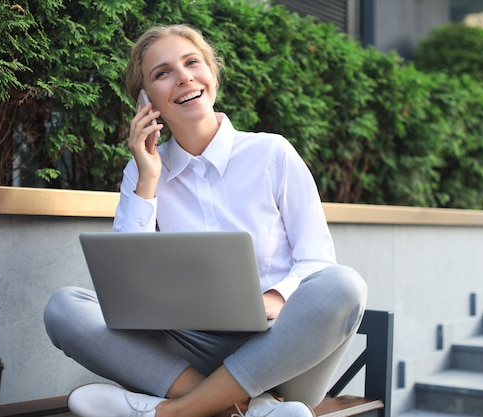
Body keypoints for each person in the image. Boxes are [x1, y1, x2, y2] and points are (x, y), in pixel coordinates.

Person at [43, 24, 367, 417]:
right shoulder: (144, 172)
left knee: (344, 285)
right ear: (147, 101)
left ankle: (170, 411)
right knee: (64, 308)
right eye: (162, 73)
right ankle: (242, 408)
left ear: (211, 74)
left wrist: (273, 299)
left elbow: (317, 259)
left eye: (192, 63)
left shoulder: (272, 153)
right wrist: (148, 178)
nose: (183, 77)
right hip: (191, 349)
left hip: (282, 351)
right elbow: (126, 289)